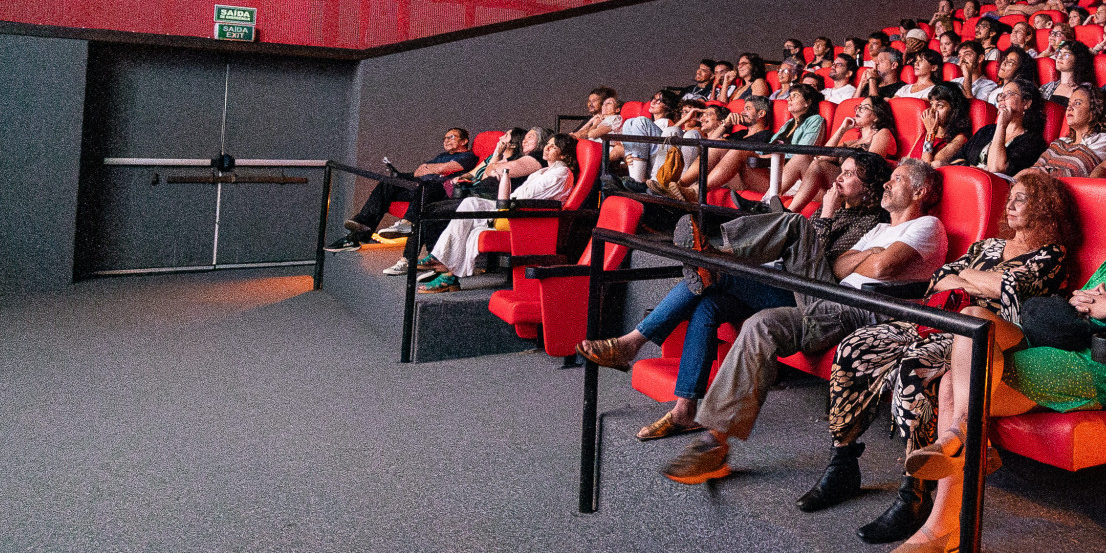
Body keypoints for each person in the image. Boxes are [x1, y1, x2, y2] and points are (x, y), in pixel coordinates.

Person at [878, 174, 1106, 553]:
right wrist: (1090, 303)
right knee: (973, 321)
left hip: (1102, 365)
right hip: (1060, 344)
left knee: (956, 380)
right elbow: (1079, 303)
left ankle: (943, 523)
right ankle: (965, 441)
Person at [806, 173, 1076, 540]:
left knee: (915, 367)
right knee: (857, 346)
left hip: (982, 333)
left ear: (1045, 209)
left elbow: (1015, 288)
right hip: (937, 317)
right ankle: (843, 461)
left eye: (1023, 199)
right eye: (1010, 197)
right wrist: (973, 279)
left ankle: (914, 493)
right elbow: (939, 280)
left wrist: (967, 277)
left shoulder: (1051, 253)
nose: (1010, 206)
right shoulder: (990, 245)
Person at [660, 159, 950, 484]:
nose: (887, 184)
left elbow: (883, 269)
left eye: (896, 179)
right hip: (829, 297)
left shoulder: (928, 226)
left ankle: (715, 260)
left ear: (920, 191)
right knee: (791, 239)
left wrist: (867, 260)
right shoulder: (880, 231)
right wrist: (872, 254)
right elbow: (839, 267)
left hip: (867, 308)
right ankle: (714, 443)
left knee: (783, 265)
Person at [579, 154, 893, 440]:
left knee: (720, 272)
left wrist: (825, 211)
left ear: (870, 189)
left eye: (850, 175)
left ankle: (638, 336)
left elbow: (828, 262)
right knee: (707, 303)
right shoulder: (839, 212)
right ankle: (684, 411)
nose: (839, 179)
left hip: (809, 300)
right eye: (843, 171)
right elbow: (802, 249)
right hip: (782, 278)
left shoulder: (871, 224)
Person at [417, 133, 577, 293]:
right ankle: (443, 264)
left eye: (553, 146)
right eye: (547, 144)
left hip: (527, 219)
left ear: (563, 154)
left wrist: (504, 187)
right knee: (470, 203)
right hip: (515, 209)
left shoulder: (561, 173)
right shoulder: (542, 172)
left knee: (466, 216)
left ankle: (447, 273)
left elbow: (526, 197)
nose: (547, 148)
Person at [327, 127, 476, 251]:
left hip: (436, 192)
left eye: (451, 137)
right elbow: (419, 171)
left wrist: (430, 168)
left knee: (426, 186)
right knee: (389, 182)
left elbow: (445, 169)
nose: (447, 140)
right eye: (445, 138)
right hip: (419, 186)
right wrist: (434, 169)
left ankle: (405, 224)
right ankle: (363, 225)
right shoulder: (442, 155)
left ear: (464, 141)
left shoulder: (468, 156)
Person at [785, 96, 899, 213]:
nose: (858, 110)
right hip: (838, 187)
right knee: (801, 158)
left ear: (876, 116)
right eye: (858, 107)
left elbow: (870, 166)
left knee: (818, 166)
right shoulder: (852, 142)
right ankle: (770, 199)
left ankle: (788, 212)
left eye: (864, 108)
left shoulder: (883, 133)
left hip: (860, 190)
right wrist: (842, 129)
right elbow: (823, 155)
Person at [1029, 83, 1106, 179]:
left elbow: (1075, 171)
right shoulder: (1061, 142)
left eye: (1077, 103)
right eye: (1069, 104)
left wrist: (1036, 172)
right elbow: (1035, 168)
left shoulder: (1103, 140)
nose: (1069, 108)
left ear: (1093, 113)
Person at [968, 80, 1049, 176]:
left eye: (1009, 94)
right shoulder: (987, 130)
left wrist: (1001, 125)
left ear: (1026, 103)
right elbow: (958, 159)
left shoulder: (1033, 142)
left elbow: (996, 170)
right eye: (1001, 95)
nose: (1002, 98)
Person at [910, 83, 973, 165]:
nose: (933, 110)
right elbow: (907, 159)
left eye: (939, 105)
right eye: (932, 104)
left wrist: (930, 133)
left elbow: (927, 167)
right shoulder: (924, 133)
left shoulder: (959, 139)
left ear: (953, 110)